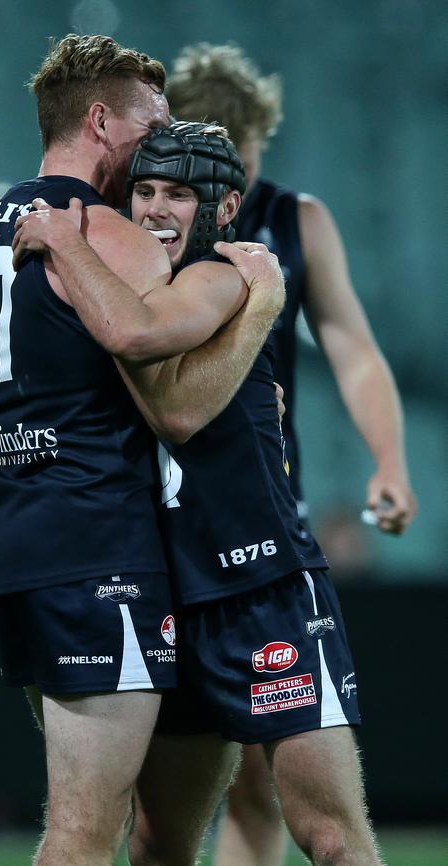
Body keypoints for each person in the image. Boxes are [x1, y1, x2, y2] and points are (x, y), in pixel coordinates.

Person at [14, 121, 384, 866]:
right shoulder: (124, 289)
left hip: (265, 587)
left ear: (220, 209)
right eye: (143, 190)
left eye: (178, 194)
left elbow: (168, 395)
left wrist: (64, 237)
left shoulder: (225, 273)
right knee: (160, 846)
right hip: (170, 600)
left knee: (334, 839)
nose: (154, 210)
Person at [0, 35, 284, 866]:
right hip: (96, 539)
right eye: (153, 121)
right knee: (83, 832)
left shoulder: (0, 226)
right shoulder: (108, 234)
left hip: (17, 526)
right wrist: (254, 313)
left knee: (145, 831)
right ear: (101, 121)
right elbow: (180, 407)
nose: (165, 138)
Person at [164, 42, 417, 866]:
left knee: (275, 795)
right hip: (163, 536)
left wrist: (390, 460)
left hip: (265, 530)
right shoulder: (149, 223)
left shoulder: (296, 218)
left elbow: (353, 347)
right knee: (179, 819)